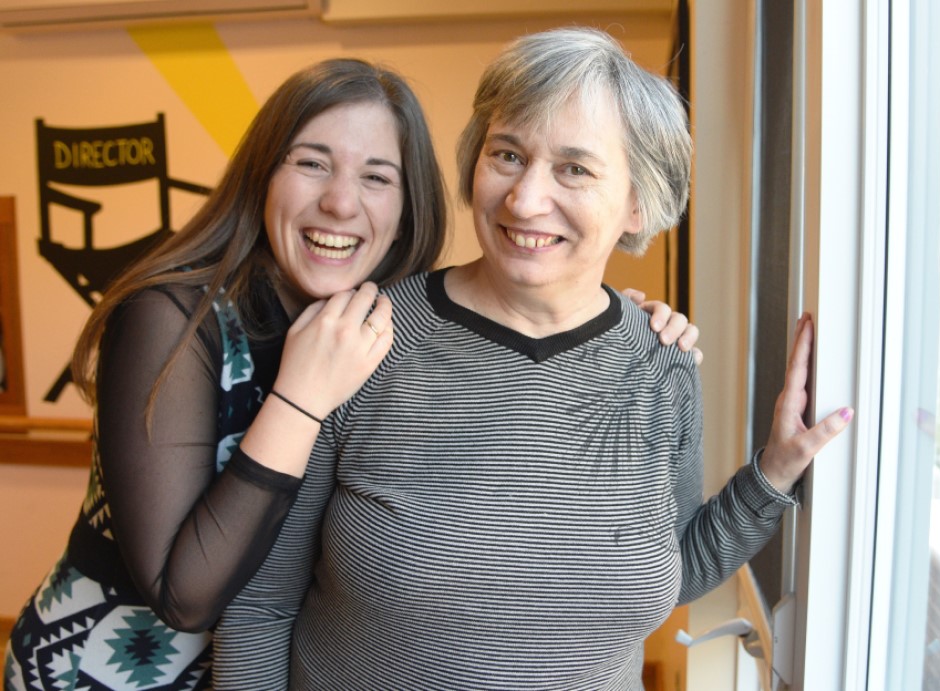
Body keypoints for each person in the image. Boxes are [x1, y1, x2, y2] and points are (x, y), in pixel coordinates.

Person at [3, 58, 696, 691]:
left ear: (406, 205)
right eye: (311, 163)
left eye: (376, 177)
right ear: (263, 173)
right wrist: (301, 398)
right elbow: (182, 596)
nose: (340, 203)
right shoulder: (172, 318)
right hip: (110, 671)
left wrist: (614, 325)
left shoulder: (371, 321)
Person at [215, 27, 853, 689]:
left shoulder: (662, 365)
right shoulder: (364, 338)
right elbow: (258, 605)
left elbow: (669, 571)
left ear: (638, 201)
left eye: (574, 168)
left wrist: (773, 475)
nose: (523, 200)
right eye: (507, 155)